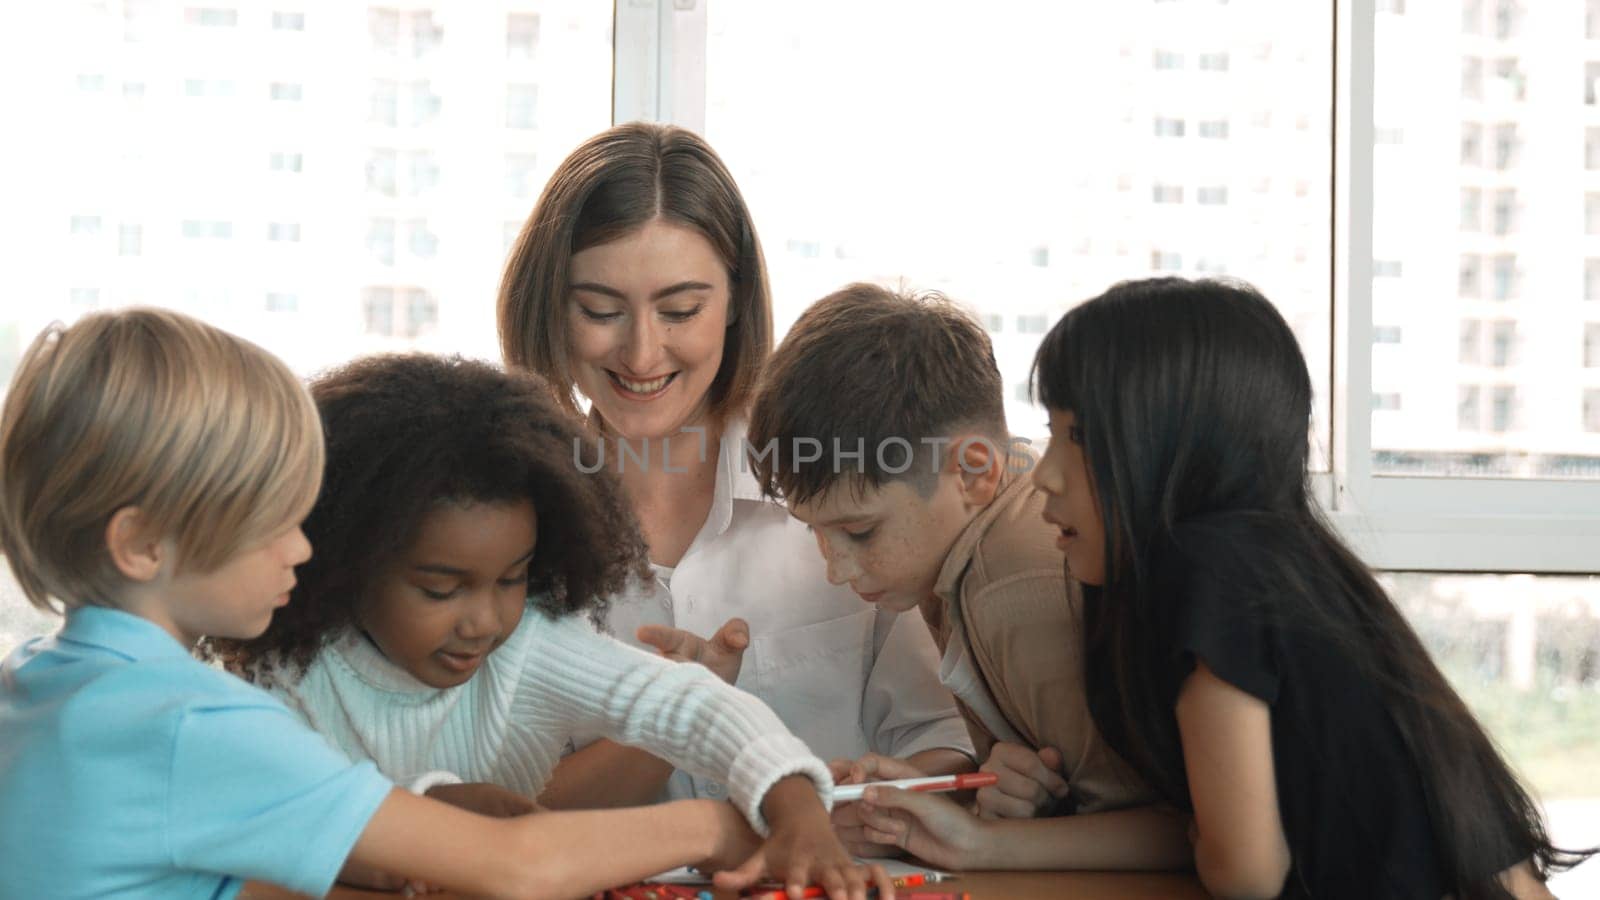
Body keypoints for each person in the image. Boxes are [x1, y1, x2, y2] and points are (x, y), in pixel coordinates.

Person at [0, 309, 811, 900]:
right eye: (269, 523)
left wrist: (423, 821)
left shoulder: (41, 688)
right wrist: (711, 830)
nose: (303, 549)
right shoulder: (188, 723)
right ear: (142, 544)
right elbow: (519, 869)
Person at [855, 276, 1593, 897]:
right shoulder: (1264, 564)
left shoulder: (1210, 573)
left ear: (1164, 448)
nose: (1043, 474)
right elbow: (1200, 832)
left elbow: (1243, 868)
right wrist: (978, 844)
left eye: (1073, 437)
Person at [218, 353, 888, 898]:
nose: (484, 620)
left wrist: (796, 808)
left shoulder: (535, 642)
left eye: (512, 578)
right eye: (440, 588)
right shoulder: (289, 676)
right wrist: (437, 812)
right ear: (350, 565)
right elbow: (281, 835)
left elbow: (690, 703)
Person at [497, 122, 972, 810]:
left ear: (734, 305)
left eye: (681, 309)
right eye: (599, 310)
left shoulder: (840, 490)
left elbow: (940, 738)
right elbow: (506, 806)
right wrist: (674, 716)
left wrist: (901, 785)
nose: (640, 353)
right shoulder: (506, 527)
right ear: (550, 308)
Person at [744, 283, 1181, 864]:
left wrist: (978, 841)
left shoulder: (1010, 589)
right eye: (816, 532)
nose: (835, 569)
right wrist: (950, 794)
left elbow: (1175, 831)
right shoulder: (959, 545)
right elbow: (1059, 800)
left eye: (860, 531)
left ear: (973, 472)